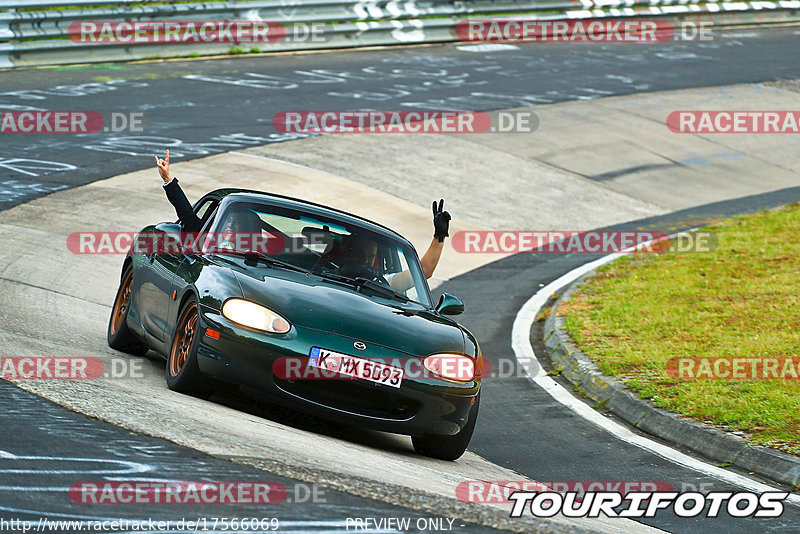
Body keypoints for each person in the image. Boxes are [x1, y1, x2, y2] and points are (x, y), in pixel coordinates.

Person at [155, 149, 451, 290]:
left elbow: (420, 272)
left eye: (372, 252)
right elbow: (189, 221)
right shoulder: (278, 255)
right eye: (368, 251)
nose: (372, 256)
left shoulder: (376, 284)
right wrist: (170, 181)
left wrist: (439, 239)